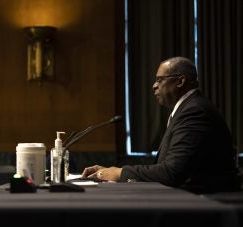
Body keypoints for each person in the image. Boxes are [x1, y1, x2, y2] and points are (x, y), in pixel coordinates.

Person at [82, 57, 240, 193]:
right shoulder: (187, 109)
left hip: (208, 203)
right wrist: (113, 171)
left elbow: (172, 173)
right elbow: (168, 167)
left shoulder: (195, 111)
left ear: (180, 81)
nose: (154, 86)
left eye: (159, 80)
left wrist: (120, 173)